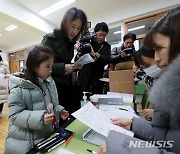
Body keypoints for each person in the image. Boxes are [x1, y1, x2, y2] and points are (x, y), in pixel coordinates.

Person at [98, 6, 180, 154]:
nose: (157, 59)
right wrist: (133, 124)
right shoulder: (171, 88)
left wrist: (119, 147)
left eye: (160, 48)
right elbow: (165, 138)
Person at [5, 45, 69, 154]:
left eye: (51, 67)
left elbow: (49, 104)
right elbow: (14, 116)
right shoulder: (19, 88)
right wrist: (40, 118)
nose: (51, 71)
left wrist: (59, 110)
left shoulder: (48, 82)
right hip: (26, 142)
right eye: (47, 66)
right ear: (35, 67)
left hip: (46, 136)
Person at [41, 7, 88, 114]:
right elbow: (40, 65)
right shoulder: (50, 39)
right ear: (65, 22)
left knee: (73, 114)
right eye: (73, 26)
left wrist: (74, 66)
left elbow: (64, 62)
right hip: (53, 87)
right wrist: (63, 67)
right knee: (60, 119)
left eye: (78, 28)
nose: (75, 31)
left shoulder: (70, 42)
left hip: (67, 85)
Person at [76, 22, 111, 94]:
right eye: (99, 35)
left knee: (96, 101)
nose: (101, 37)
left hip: (96, 80)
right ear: (94, 33)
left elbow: (106, 60)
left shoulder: (106, 46)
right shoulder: (87, 43)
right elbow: (77, 61)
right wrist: (79, 53)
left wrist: (94, 54)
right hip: (83, 79)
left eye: (104, 35)